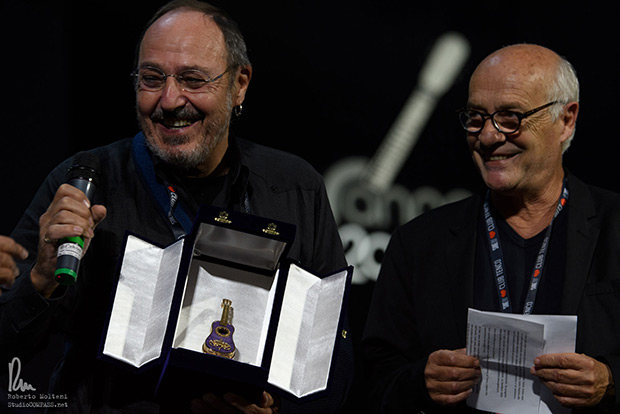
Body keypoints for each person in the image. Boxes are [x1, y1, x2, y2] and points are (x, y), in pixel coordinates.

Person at [0, 1, 352, 413]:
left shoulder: (295, 187)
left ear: (239, 84)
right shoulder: (86, 184)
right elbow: (11, 343)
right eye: (152, 79)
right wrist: (41, 281)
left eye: (192, 79)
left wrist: (276, 411)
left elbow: (330, 352)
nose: (169, 100)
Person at [362, 43, 619, 413]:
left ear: (566, 120)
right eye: (476, 117)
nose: (487, 136)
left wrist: (611, 383)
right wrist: (421, 380)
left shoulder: (615, 228)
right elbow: (373, 379)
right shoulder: (418, 243)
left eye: (511, 117)